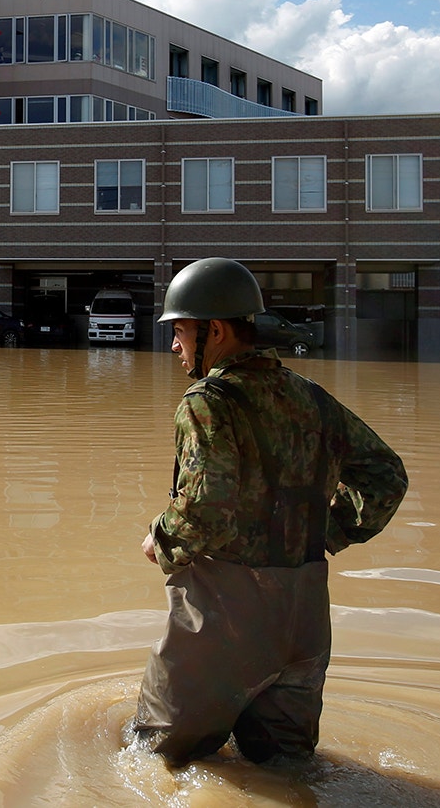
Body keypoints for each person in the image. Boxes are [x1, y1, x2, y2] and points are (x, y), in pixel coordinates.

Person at [130, 257, 408, 766]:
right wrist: (328, 530)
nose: (173, 345)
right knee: (285, 770)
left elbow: (207, 505)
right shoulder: (312, 398)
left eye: (181, 331)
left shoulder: (207, 401)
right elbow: (386, 476)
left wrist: (161, 540)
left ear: (214, 331)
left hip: (222, 620)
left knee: (152, 759)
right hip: (303, 620)